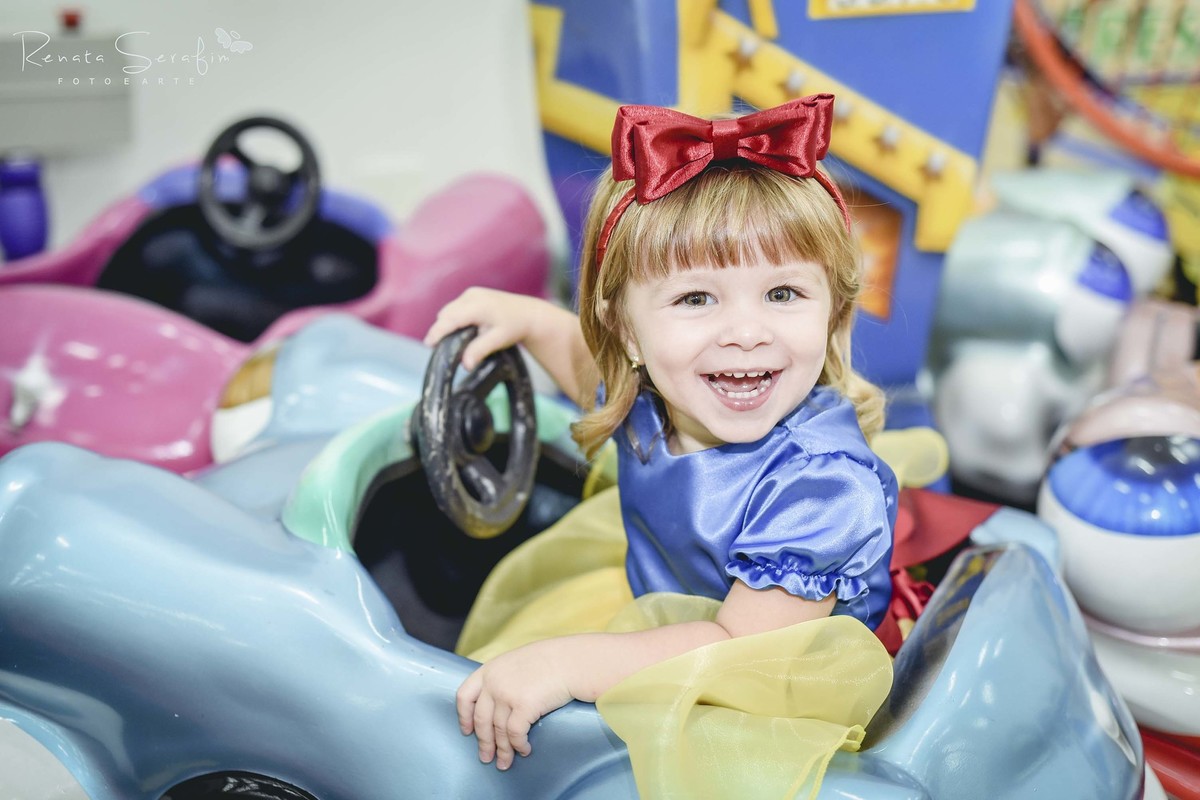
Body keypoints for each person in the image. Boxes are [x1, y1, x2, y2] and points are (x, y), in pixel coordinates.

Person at [424, 94, 897, 775]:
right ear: (627, 332)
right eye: (695, 298)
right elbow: (585, 361)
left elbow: (738, 651)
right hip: (667, 622)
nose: (746, 332)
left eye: (783, 294)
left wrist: (567, 662)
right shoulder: (649, 398)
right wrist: (526, 319)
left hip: (762, 688)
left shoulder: (823, 489)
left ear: (834, 312)